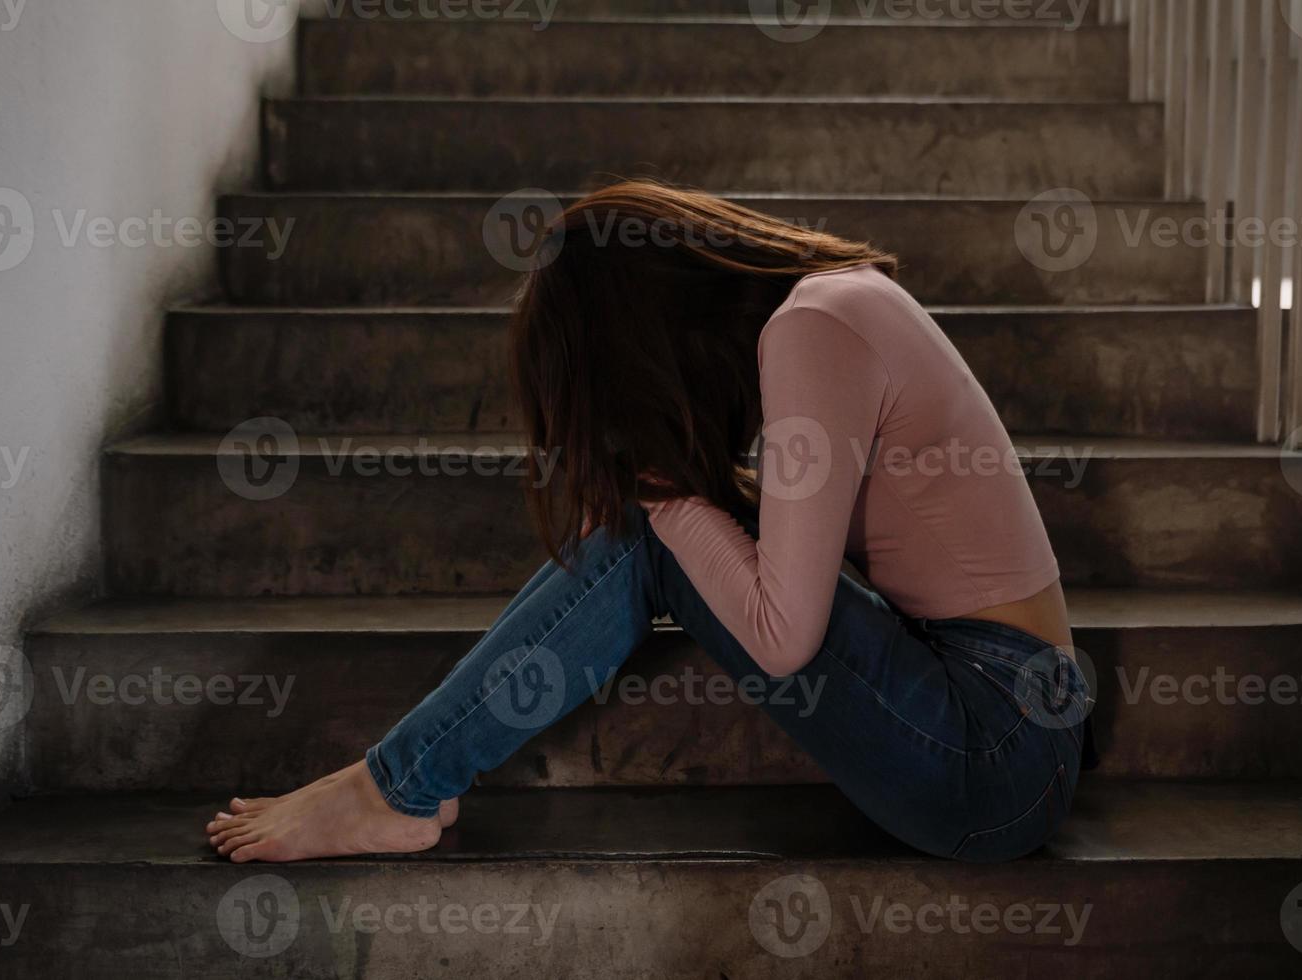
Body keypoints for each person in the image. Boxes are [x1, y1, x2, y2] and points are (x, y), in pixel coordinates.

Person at [206, 181, 1091, 865]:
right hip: (1019, 725)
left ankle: (397, 786)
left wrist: (660, 495)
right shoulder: (835, 304)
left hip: (992, 754)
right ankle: (399, 780)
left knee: (648, 528)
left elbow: (783, 639)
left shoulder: (814, 329)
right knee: (661, 517)